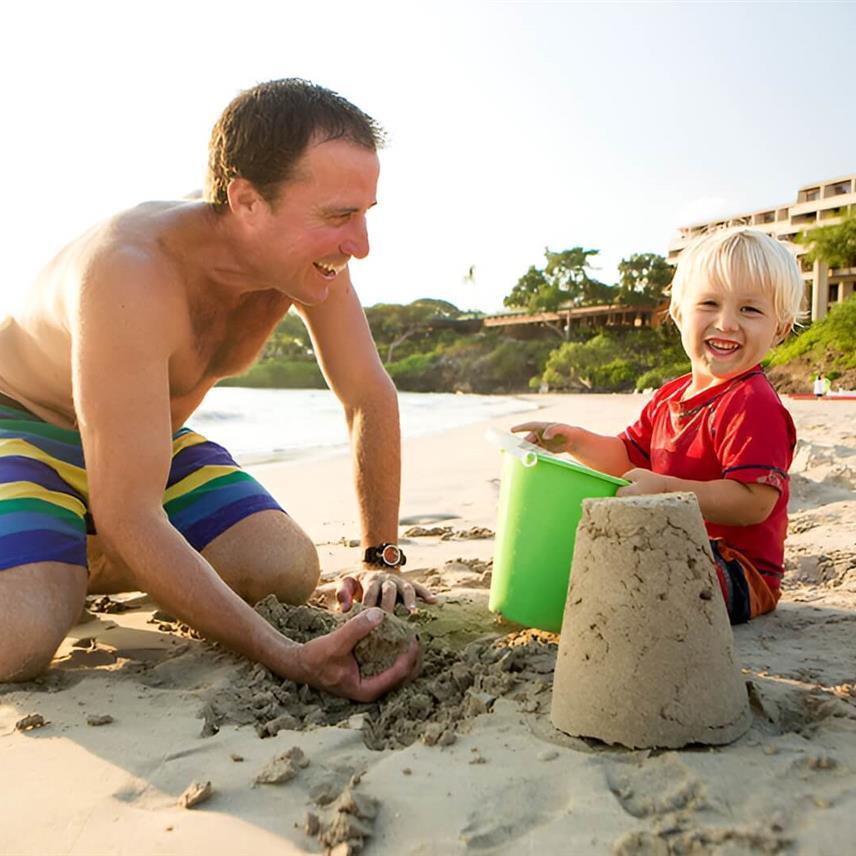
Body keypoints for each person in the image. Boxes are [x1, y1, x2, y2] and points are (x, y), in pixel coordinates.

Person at [0, 79, 434, 698]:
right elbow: (130, 514)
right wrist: (286, 654)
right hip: (21, 427)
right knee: (18, 639)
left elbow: (369, 396)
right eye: (339, 216)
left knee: (283, 568)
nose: (360, 245)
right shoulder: (132, 268)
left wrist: (379, 557)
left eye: (365, 213)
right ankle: (56, 560)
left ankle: (72, 550)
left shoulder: (307, 264)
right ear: (247, 202)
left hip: (142, 442)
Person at [513, 227, 803, 624]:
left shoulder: (753, 403)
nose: (727, 323)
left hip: (739, 570)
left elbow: (754, 502)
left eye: (750, 310)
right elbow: (627, 458)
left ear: (780, 328)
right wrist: (575, 441)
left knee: (633, 569)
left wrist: (666, 491)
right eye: (709, 304)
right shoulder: (670, 397)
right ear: (679, 313)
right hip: (678, 541)